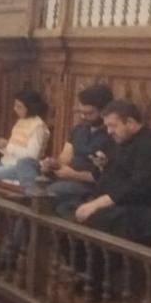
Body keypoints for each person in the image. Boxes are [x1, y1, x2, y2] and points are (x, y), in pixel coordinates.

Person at [73, 99, 151, 244]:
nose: (109, 132)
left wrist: (98, 203)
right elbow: (115, 176)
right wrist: (103, 167)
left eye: (113, 126)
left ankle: (107, 266)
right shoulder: (121, 141)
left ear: (130, 122)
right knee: (71, 207)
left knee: (98, 217)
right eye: (107, 126)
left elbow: (139, 186)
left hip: (149, 211)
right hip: (122, 204)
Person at [40, 84, 113, 213]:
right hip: (64, 175)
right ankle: (32, 193)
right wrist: (52, 164)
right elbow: (64, 159)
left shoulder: (112, 135)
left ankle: (32, 195)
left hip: (86, 184)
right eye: (81, 112)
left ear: (104, 111)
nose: (83, 117)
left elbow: (105, 177)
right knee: (26, 163)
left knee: (46, 195)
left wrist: (73, 175)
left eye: (89, 113)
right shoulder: (78, 129)